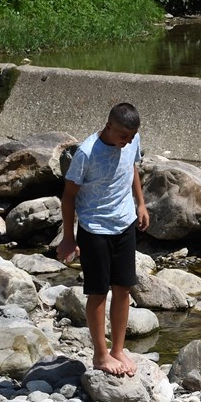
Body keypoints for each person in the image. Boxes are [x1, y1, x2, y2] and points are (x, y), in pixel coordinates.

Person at [57, 103, 150, 376]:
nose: (127, 142)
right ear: (109, 126)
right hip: (95, 228)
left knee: (123, 288)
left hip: (124, 224)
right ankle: (100, 355)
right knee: (98, 292)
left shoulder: (131, 141)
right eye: (123, 137)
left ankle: (118, 349)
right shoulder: (86, 152)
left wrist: (140, 204)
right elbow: (69, 196)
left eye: (131, 137)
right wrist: (67, 238)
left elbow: (132, 167)